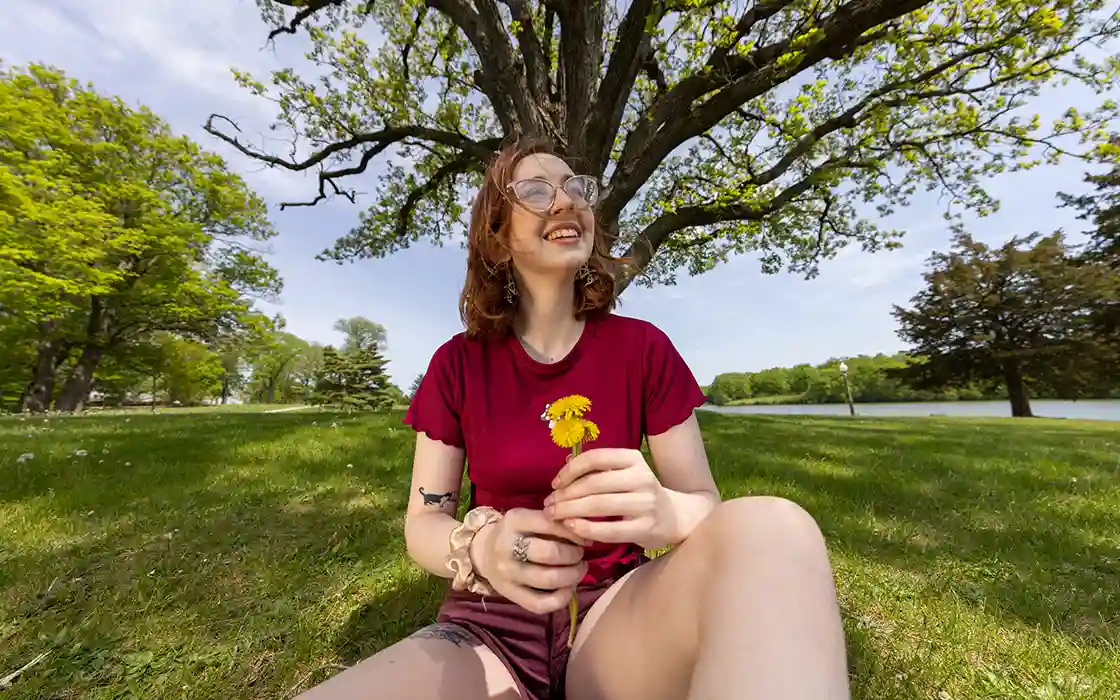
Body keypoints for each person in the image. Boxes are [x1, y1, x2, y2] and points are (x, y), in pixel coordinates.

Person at [296, 140, 850, 700]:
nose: (565, 201)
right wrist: (481, 548)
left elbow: (703, 501)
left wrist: (665, 512)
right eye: (536, 191)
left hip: (619, 615)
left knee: (777, 528)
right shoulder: (457, 364)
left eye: (576, 188)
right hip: (490, 626)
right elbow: (423, 523)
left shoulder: (644, 348)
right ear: (498, 236)